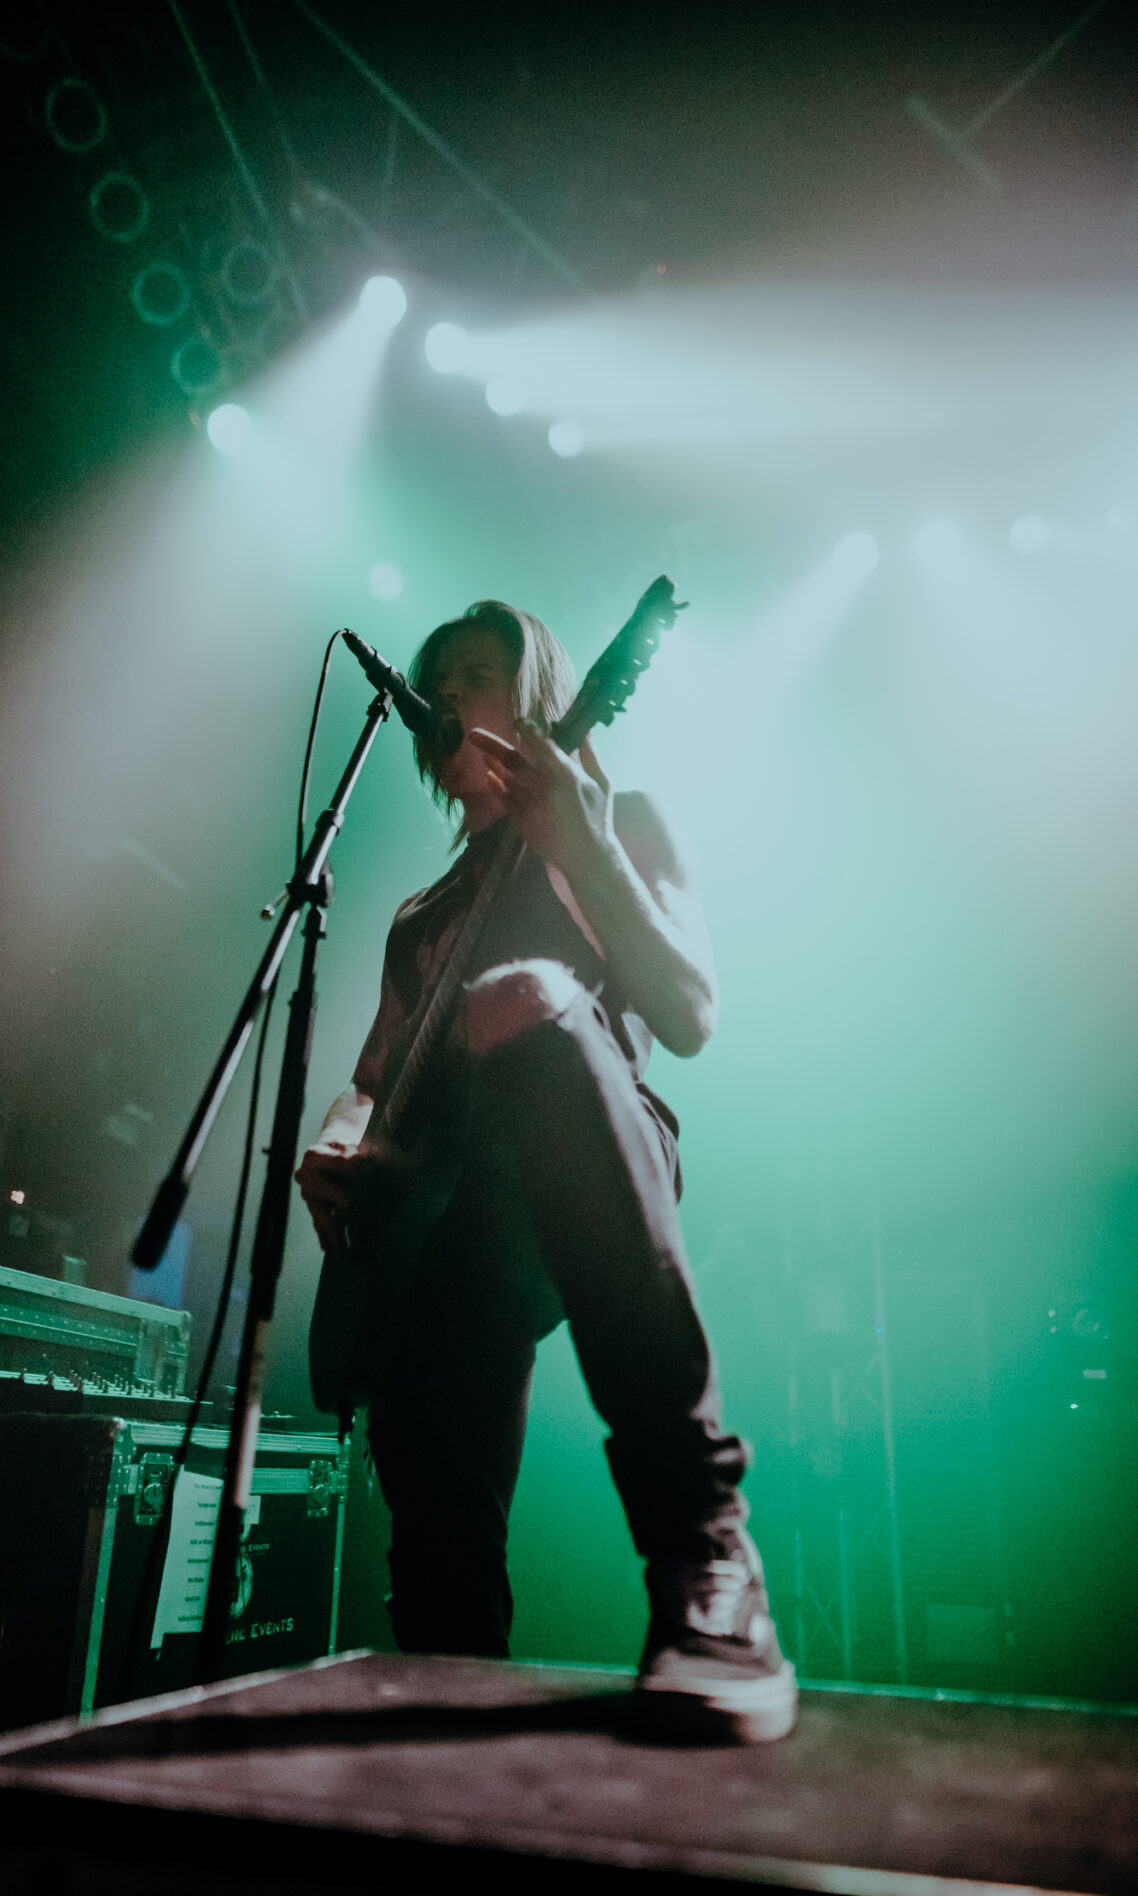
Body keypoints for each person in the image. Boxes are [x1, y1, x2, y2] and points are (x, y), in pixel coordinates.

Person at [296, 599, 795, 1741]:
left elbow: (690, 1011)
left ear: (542, 694)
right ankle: (444, 1749)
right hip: (439, 1218)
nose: (450, 696)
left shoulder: (619, 816)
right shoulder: (422, 911)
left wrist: (582, 843)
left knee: (521, 997)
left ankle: (707, 1552)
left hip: (583, 1138)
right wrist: (339, 1134)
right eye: (438, 683)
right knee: (436, 1558)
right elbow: (372, 1074)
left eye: (480, 671)